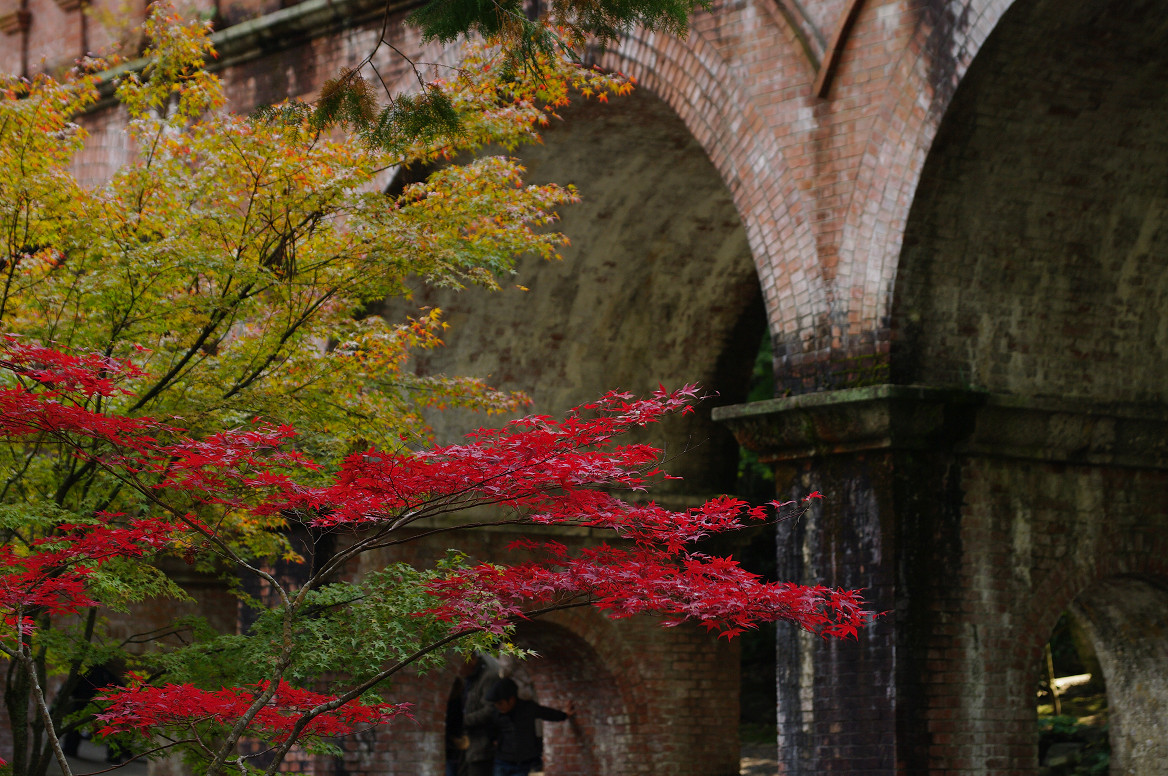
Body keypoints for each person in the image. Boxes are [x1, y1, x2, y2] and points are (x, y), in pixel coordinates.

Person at [485, 677, 574, 776]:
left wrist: (564, 715)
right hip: (502, 761)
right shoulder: (495, 714)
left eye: (500, 703)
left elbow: (546, 713)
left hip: (524, 763)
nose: (499, 707)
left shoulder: (527, 708)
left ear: (511, 699)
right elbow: (490, 731)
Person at [459, 652, 500, 776]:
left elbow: (490, 710)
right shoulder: (469, 677)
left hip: (482, 745)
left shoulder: (488, 675)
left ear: (471, 660)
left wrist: (461, 721)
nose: (458, 670)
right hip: (466, 745)